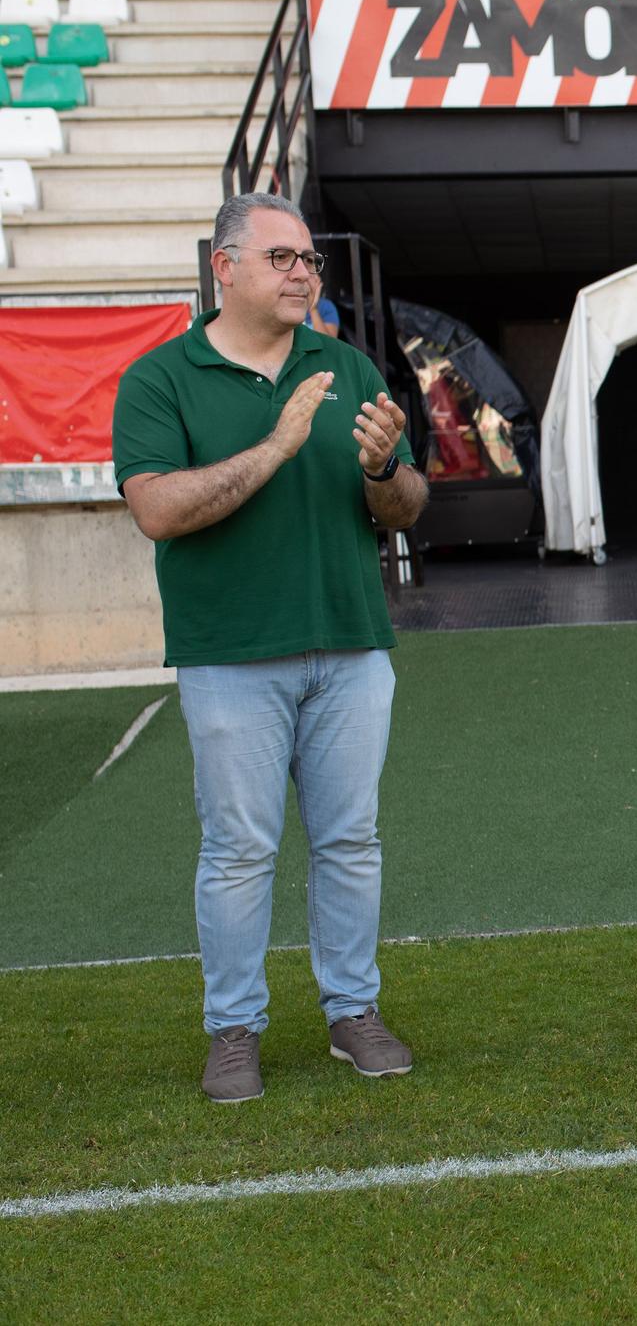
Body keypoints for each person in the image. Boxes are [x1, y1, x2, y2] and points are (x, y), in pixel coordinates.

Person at [110, 192, 426, 1105]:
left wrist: (383, 472)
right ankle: (234, 1029)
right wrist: (280, 443)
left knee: (351, 841)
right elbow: (158, 509)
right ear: (225, 267)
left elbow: (404, 510)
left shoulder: (346, 363)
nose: (303, 274)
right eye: (283, 258)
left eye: (310, 262)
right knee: (240, 849)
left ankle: (352, 1010)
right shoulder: (161, 378)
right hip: (230, 654)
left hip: (352, 648)